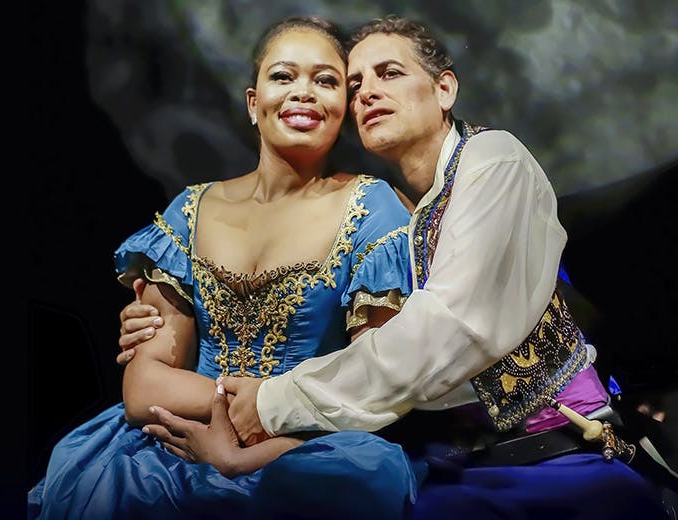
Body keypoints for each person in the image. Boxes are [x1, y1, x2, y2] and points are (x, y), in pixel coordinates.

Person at [128, 15, 673, 519]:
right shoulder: (413, 217)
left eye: (388, 73)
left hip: (554, 457)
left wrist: (272, 404)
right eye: (357, 83)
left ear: (445, 90)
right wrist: (154, 325)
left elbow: (445, 330)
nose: (368, 92)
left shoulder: (493, 161)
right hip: (452, 461)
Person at [28, 16, 421, 520]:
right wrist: (237, 403)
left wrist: (256, 432)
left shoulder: (373, 209)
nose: (303, 92)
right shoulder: (188, 212)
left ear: (343, 107)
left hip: (307, 448)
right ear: (254, 103)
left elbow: (375, 384)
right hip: (174, 442)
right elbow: (145, 388)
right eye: (283, 76)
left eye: (325, 80)